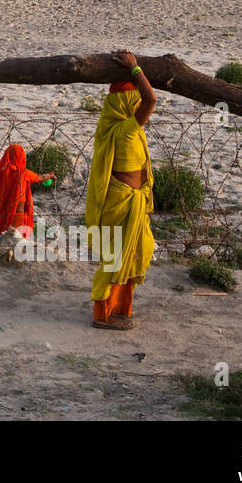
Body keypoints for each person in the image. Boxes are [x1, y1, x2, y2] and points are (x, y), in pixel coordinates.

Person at [86, 50, 157, 330]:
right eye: (133, 99)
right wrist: (135, 69)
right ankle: (102, 314)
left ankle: (119, 308)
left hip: (131, 202)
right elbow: (151, 98)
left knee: (131, 253)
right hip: (124, 202)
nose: (139, 102)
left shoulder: (124, 127)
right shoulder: (127, 128)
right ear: (128, 102)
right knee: (117, 257)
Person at [0, 144, 54, 236]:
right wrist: (50, 175)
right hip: (17, 216)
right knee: (16, 243)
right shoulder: (23, 173)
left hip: (3, 217)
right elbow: (40, 178)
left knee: (4, 239)